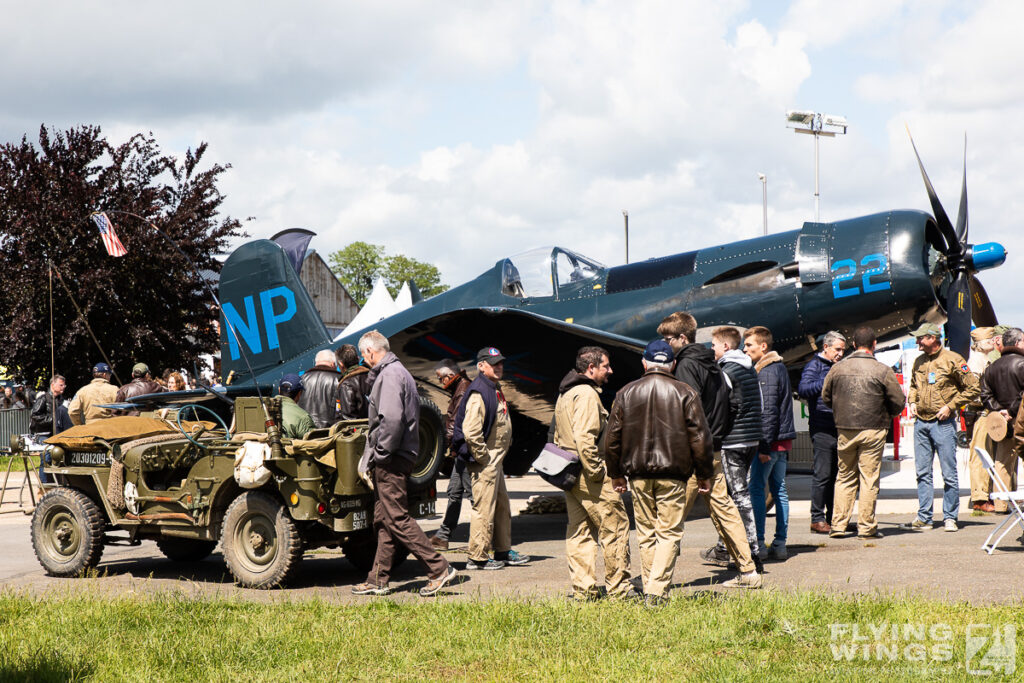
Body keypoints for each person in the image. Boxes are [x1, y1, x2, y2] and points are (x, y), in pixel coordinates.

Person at [605, 341, 753, 604]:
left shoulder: (626, 392)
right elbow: (700, 437)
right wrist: (705, 473)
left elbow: (613, 437)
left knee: (647, 533)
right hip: (674, 473)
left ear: (644, 363)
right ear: (672, 364)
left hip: (637, 474)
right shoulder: (685, 392)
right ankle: (656, 591)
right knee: (669, 532)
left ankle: (652, 587)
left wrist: (615, 472)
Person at [351, 330, 457, 597]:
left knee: (396, 518)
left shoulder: (389, 376)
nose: (364, 360)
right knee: (384, 520)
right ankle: (377, 579)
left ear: (371, 352)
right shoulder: (398, 372)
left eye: (364, 355)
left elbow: (391, 421)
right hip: (399, 456)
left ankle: (439, 568)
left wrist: (380, 454)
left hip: (392, 459)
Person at [656, 312, 759, 581]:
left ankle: (656, 583)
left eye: (668, 339)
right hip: (712, 448)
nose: (665, 344)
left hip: (694, 453)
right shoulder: (713, 363)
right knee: (726, 510)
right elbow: (729, 402)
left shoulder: (686, 366)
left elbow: (688, 410)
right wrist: (717, 434)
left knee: (671, 520)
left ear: (682, 337)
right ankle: (749, 570)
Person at [553, 346, 634, 601]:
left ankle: (584, 590)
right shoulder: (587, 394)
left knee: (580, 532)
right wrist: (598, 473)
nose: (610, 371)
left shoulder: (566, 392)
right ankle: (619, 590)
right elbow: (585, 440)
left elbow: (558, 435)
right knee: (616, 526)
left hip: (570, 473)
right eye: (605, 366)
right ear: (591, 368)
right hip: (589, 474)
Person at [822, 326, 906, 539]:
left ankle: (838, 525)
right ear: (874, 344)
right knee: (869, 479)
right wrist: (887, 414)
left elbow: (826, 397)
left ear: (853, 345)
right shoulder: (882, 370)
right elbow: (898, 402)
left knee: (844, 477)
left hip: (845, 428)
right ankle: (866, 527)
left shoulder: (838, 368)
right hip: (874, 428)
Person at [452, 346, 530, 570]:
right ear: (481, 366)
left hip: (496, 461)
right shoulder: (479, 391)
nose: (499, 367)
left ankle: (503, 550)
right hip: (486, 461)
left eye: (500, 363)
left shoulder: (493, 387)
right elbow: (471, 431)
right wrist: (484, 458)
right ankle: (477, 557)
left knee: (502, 508)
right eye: (493, 363)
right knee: (483, 509)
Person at [903, 322, 980, 532]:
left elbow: (973, 387)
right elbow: (912, 385)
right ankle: (925, 517)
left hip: (943, 424)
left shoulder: (953, 360)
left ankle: (950, 517)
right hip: (921, 424)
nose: (917, 341)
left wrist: (951, 405)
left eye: (921, 338)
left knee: (949, 473)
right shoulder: (918, 361)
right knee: (922, 473)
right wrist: (911, 401)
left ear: (933, 339)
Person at [703, 326, 765, 574]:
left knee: (738, 498)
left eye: (714, 346)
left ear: (725, 347)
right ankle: (725, 547)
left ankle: (751, 555)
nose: (712, 349)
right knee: (733, 495)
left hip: (733, 442)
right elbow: (757, 404)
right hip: (751, 440)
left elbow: (726, 407)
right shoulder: (749, 369)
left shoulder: (725, 371)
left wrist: (716, 435)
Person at [743, 326, 795, 561]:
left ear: (763, 346)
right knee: (779, 490)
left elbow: (768, 412)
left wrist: (763, 447)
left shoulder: (766, 372)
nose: (745, 349)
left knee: (756, 490)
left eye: (749, 345)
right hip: (782, 443)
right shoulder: (780, 368)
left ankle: (759, 544)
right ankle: (780, 543)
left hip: (769, 444)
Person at [797, 330, 846, 534]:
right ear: (826, 347)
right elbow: (803, 389)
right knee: (823, 474)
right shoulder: (814, 366)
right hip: (822, 428)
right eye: (837, 349)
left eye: (843, 350)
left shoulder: (837, 366)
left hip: (839, 426)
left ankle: (833, 518)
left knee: (836, 475)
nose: (841, 354)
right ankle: (817, 518)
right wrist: (827, 380)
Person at [979, 327, 1024, 513]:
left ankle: (1001, 504)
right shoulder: (1022, 364)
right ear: (1017, 343)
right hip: (1021, 421)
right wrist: (1013, 411)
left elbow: (985, 394)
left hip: (1002, 424)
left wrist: (1000, 411)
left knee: (1002, 462)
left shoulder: (991, 367)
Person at [430, 359, 473, 551]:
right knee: (454, 492)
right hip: (460, 452)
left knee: (474, 497)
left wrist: (438, 450)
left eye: (440, 378)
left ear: (449, 375)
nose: (440, 382)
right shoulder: (460, 387)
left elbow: (455, 425)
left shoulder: (463, 390)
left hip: (464, 451)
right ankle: (443, 535)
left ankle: (487, 539)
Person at [966, 327, 998, 512]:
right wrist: (986, 401)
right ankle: (979, 497)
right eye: (988, 341)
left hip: (987, 413)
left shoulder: (985, 359)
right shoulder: (977, 361)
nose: (991, 343)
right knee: (980, 456)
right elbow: (972, 392)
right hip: (981, 414)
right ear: (978, 344)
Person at [298, 349, 343, 428]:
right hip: (330, 432)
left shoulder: (301, 379)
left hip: (306, 433)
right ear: (333, 364)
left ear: (316, 363)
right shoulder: (339, 379)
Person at [276, 374, 315, 439]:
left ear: (279, 390)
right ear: (299, 393)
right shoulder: (303, 417)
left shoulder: (262, 409)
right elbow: (314, 443)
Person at [337, 344, 371, 420]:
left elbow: (348, 417)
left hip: (363, 429)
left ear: (341, 364)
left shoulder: (346, 385)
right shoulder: (372, 375)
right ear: (358, 359)